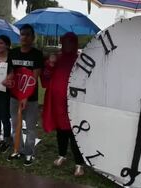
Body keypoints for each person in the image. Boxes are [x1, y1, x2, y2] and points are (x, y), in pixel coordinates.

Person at [41, 32, 85, 176]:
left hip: (73, 102)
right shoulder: (57, 58)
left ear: (75, 43)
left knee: (74, 132)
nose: (67, 45)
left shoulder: (81, 60)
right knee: (61, 129)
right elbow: (45, 78)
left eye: (70, 42)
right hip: (57, 102)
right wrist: (50, 64)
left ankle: (79, 163)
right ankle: (62, 155)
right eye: (65, 42)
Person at [3, 24, 43, 166]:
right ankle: (17, 149)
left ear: (32, 37)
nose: (24, 37)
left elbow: (34, 77)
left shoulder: (37, 54)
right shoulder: (13, 53)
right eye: (22, 34)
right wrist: (7, 79)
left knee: (31, 126)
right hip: (14, 96)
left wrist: (26, 96)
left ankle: (29, 153)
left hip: (30, 98)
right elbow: (11, 72)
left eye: (27, 34)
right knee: (16, 124)